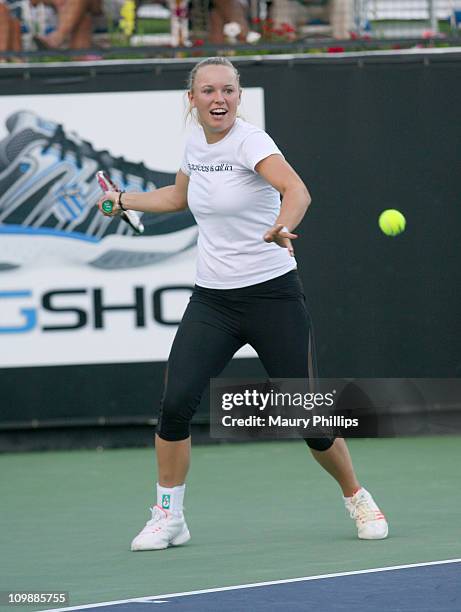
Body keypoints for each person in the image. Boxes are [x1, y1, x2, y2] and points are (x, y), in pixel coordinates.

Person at [97, 56, 389, 551]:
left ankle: (357, 495)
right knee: (174, 404)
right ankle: (169, 517)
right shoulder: (195, 144)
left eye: (228, 91)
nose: (219, 99)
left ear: (239, 97)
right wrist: (123, 200)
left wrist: (283, 223)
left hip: (272, 295)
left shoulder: (252, 142)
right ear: (191, 99)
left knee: (309, 420)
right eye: (208, 91)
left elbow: (296, 190)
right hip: (212, 301)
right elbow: (177, 198)